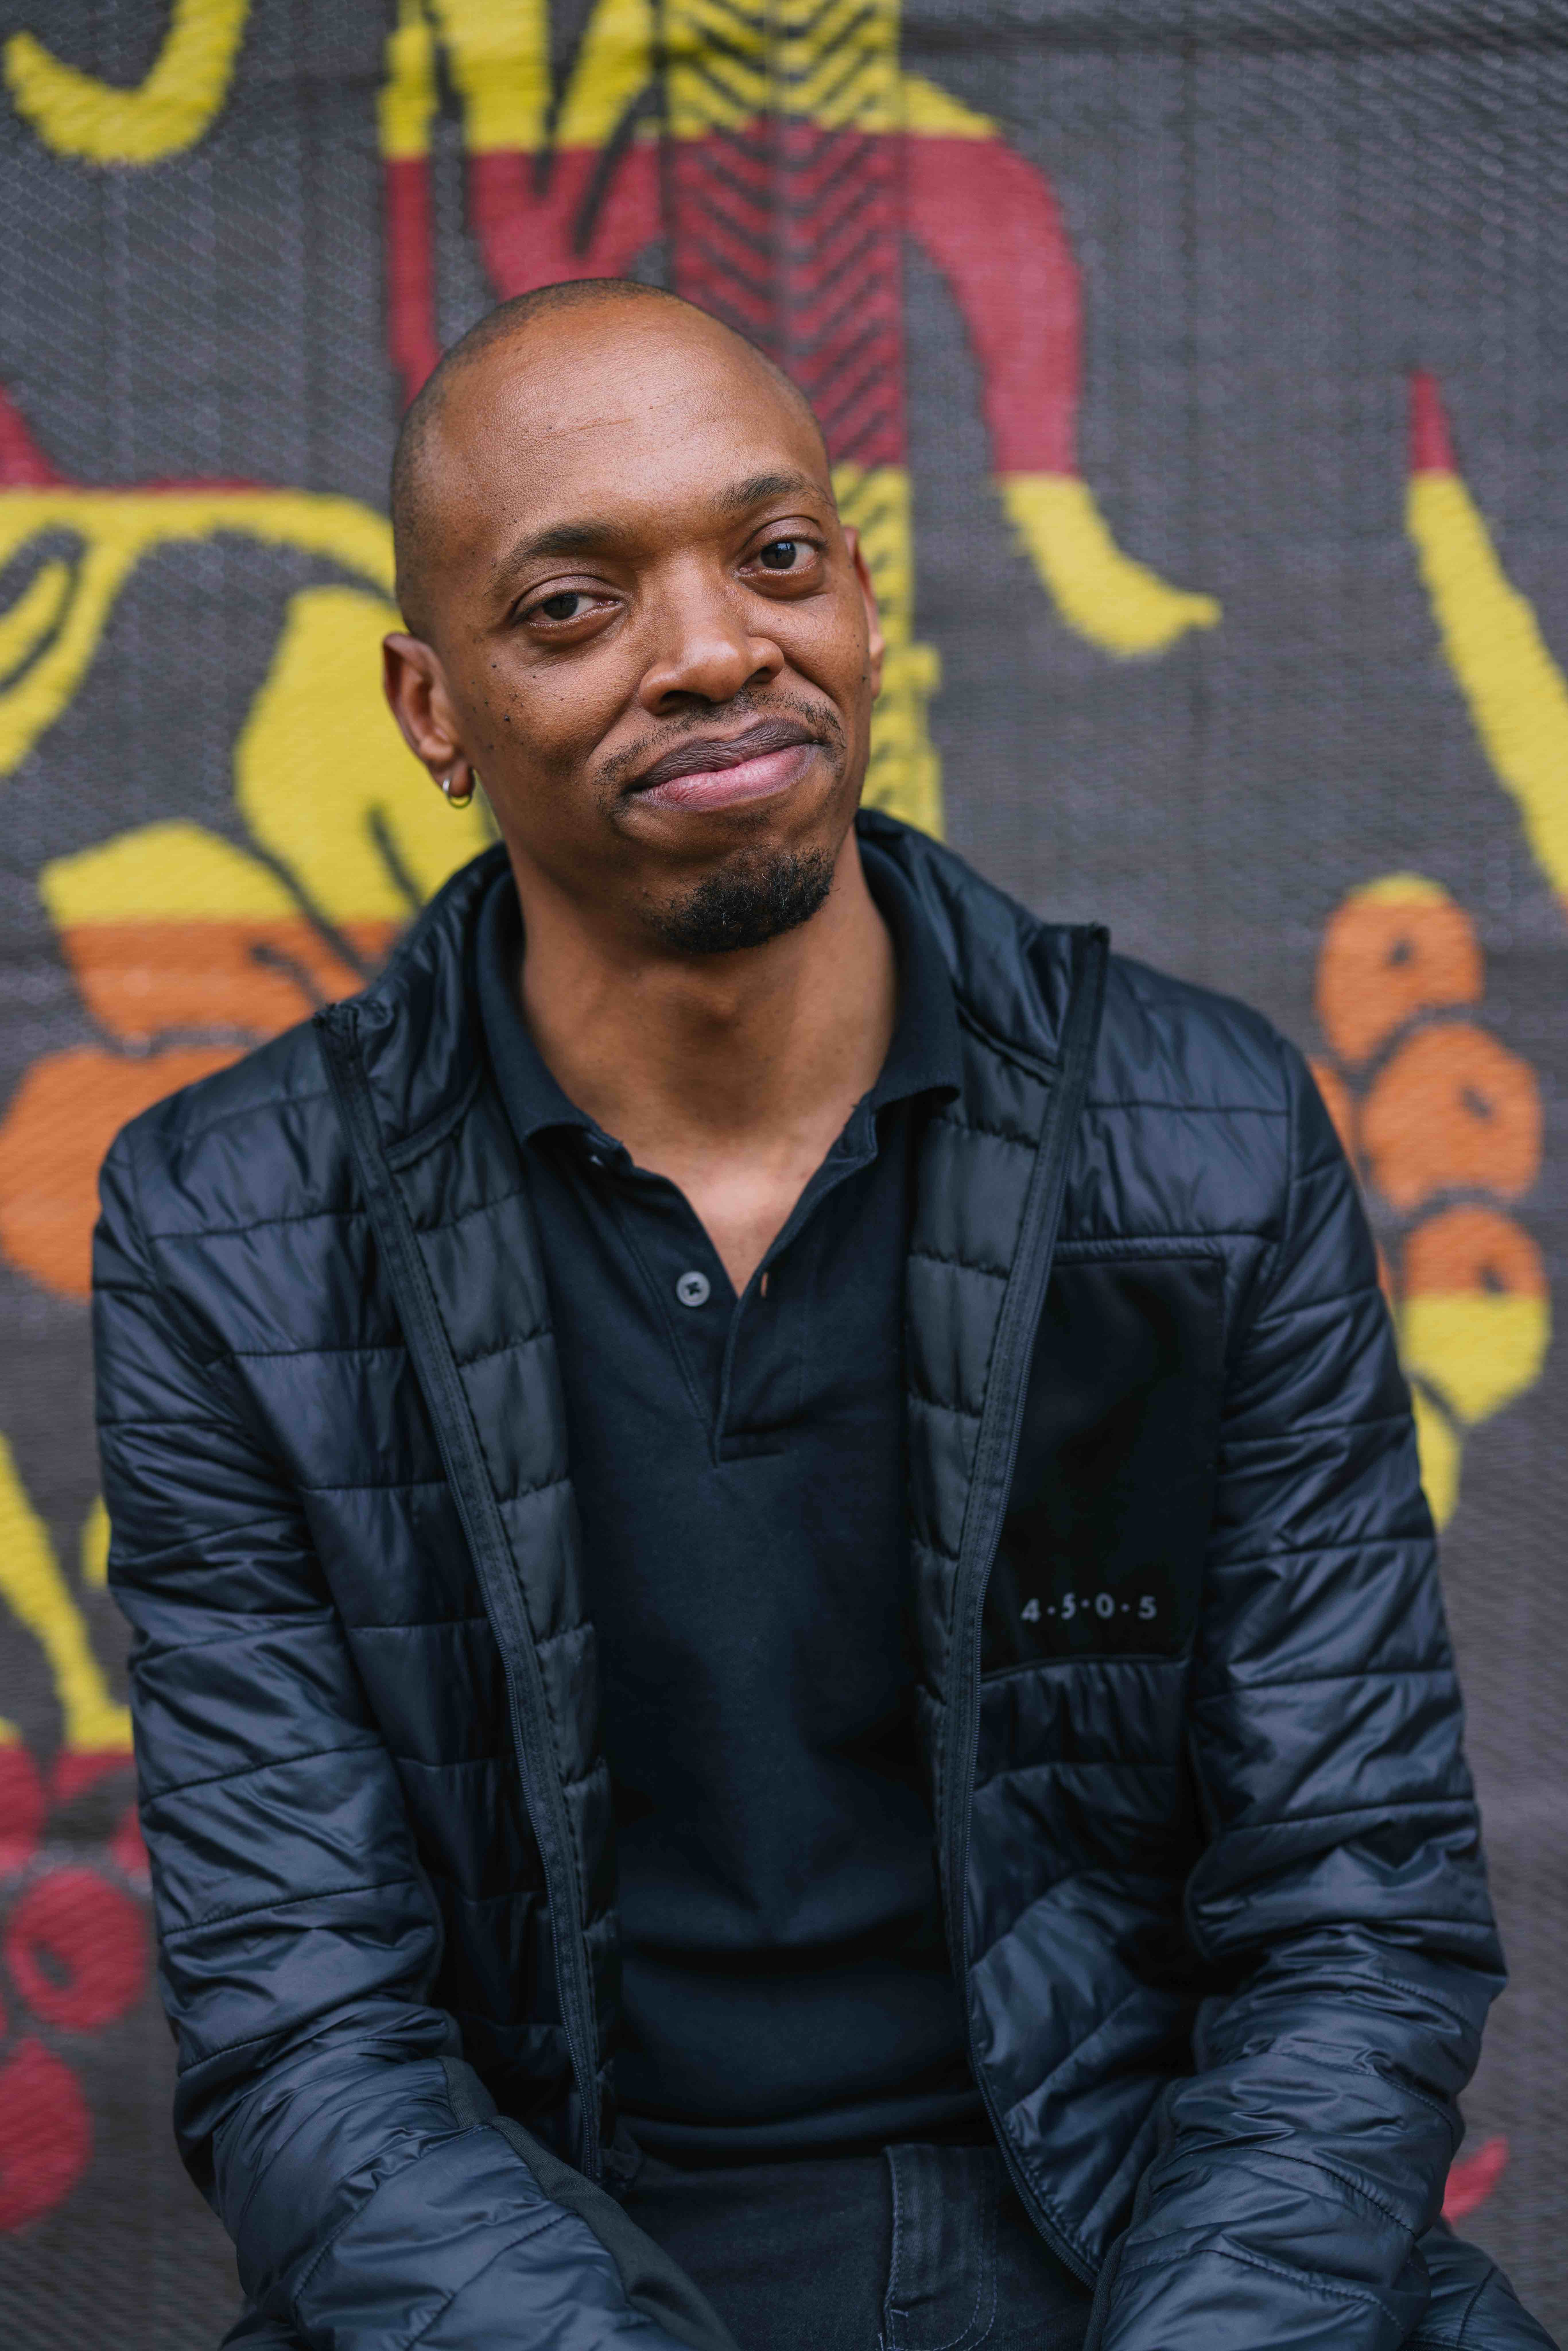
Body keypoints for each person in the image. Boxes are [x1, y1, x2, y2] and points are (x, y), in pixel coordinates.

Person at [94, 280, 1553, 2351]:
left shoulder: (1203, 1136)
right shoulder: (228, 1227)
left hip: (1141, 2244)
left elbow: (1355, 1916)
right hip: (555, 2278)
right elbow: (309, 2036)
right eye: (574, 607)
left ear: (862, 602)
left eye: (775, 558)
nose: (713, 651)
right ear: (431, 710)